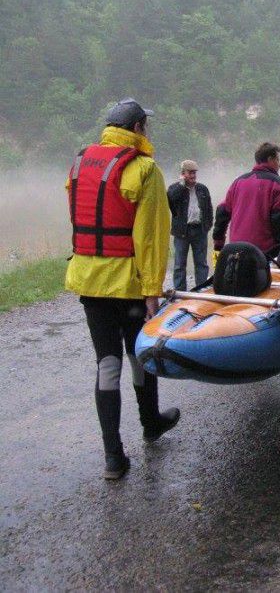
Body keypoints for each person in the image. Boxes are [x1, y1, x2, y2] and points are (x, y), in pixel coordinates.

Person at [65, 98, 180, 480]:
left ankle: (113, 457)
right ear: (136, 129)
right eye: (145, 126)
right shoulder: (144, 169)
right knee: (140, 356)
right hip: (128, 285)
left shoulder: (80, 163)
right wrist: (153, 290)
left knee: (107, 364)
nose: (147, 133)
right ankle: (150, 423)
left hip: (89, 282)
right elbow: (151, 237)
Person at [213, 142, 280, 259]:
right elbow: (278, 219)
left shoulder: (238, 182)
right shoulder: (278, 184)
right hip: (264, 252)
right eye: (278, 160)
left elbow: (222, 212)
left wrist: (218, 244)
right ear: (270, 159)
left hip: (236, 249)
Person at [167, 160, 213, 291]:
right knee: (179, 263)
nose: (193, 176)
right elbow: (170, 199)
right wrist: (182, 185)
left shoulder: (202, 189)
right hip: (182, 231)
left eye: (194, 173)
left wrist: (208, 225)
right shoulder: (175, 188)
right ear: (183, 173)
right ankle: (180, 292)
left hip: (200, 230)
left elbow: (208, 209)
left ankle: (201, 290)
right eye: (190, 173)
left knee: (201, 263)